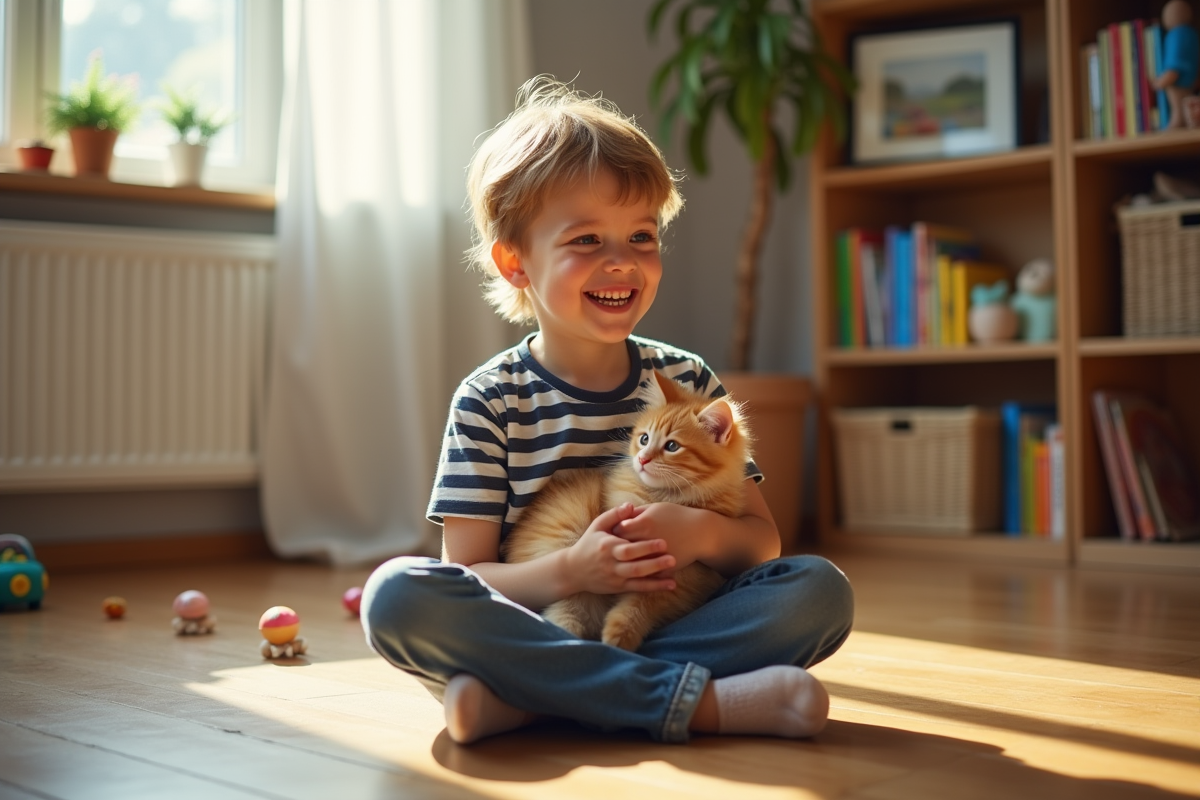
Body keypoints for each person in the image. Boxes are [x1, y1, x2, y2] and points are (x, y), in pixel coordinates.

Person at [360, 76, 854, 745]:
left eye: (642, 237)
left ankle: (534, 699)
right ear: (516, 264)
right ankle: (697, 704)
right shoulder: (489, 399)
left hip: (664, 618)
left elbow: (760, 542)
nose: (623, 263)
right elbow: (471, 575)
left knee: (816, 591)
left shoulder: (684, 380)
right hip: (544, 617)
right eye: (587, 241)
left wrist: (701, 534)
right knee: (397, 595)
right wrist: (574, 571)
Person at [1155, 0, 1200, 129]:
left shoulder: (1176, 35)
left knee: (1179, 111)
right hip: (1191, 80)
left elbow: (1175, 63)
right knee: (1186, 109)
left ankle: (1174, 127)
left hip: (1178, 82)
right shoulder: (1192, 34)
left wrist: (1163, 80)